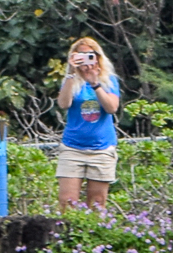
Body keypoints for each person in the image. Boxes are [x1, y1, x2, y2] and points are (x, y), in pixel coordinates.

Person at [56, 37, 121, 213]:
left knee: (97, 204)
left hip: (101, 148)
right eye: (80, 55)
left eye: (89, 55)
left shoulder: (109, 80)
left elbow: (112, 107)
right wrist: (71, 72)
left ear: (97, 57)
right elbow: (64, 104)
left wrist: (95, 83)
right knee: (67, 203)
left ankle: (94, 237)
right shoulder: (71, 80)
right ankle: (67, 237)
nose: (85, 60)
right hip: (73, 147)